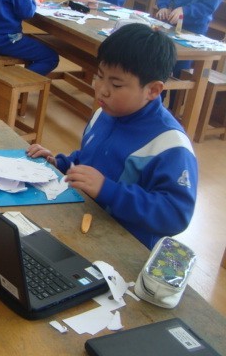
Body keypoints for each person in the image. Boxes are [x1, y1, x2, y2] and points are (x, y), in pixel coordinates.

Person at [27, 23, 197, 250]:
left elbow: (176, 214)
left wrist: (109, 190)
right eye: (99, 76)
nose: (102, 89)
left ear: (153, 90)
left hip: (125, 246)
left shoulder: (170, 145)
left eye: (116, 84)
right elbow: (87, 158)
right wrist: (59, 164)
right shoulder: (105, 113)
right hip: (84, 224)